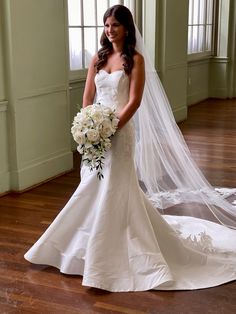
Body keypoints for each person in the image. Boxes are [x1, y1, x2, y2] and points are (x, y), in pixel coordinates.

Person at [24, 5, 236, 292]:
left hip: (120, 132)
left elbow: (134, 101)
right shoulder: (97, 59)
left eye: (115, 25)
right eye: (106, 25)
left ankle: (108, 257)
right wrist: (89, 126)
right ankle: (75, 247)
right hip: (96, 133)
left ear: (127, 27)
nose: (110, 30)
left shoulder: (135, 59)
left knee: (114, 185)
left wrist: (110, 129)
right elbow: (88, 96)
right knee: (92, 184)